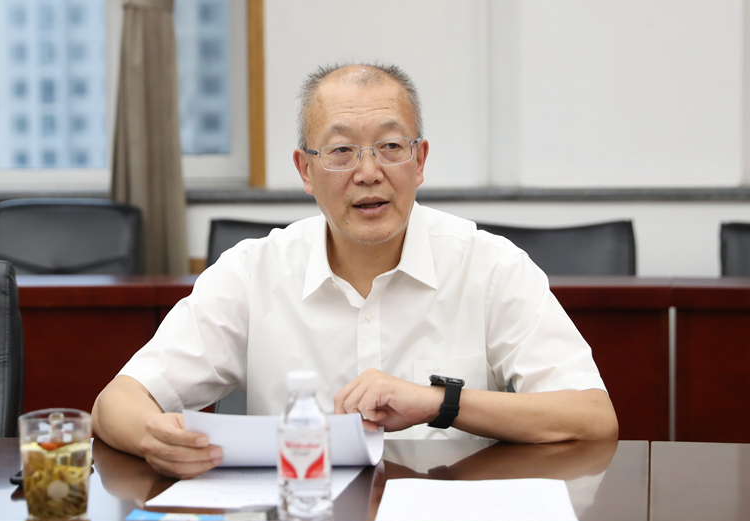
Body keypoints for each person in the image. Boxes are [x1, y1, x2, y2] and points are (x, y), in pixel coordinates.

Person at [92, 62, 618, 479]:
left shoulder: (491, 266)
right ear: (306, 170)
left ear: (419, 160)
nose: (369, 172)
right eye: (341, 151)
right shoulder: (253, 272)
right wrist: (153, 437)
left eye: (390, 147)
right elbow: (116, 403)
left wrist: (439, 403)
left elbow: (592, 418)